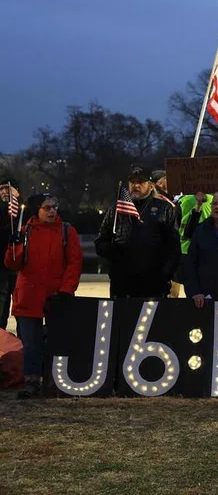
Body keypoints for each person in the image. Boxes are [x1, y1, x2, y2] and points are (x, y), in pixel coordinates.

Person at [4, 193, 82, 398]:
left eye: (54, 207)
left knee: (58, 340)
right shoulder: (25, 232)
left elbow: (74, 263)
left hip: (56, 295)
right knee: (30, 343)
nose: (52, 211)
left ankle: (57, 380)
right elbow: (13, 264)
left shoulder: (67, 231)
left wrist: (66, 290)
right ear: (36, 210)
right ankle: (32, 381)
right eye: (47, 207)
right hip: (28, 296)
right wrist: (14, 246)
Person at [95, 166, 180, 299]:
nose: (136, 185)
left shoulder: (164, 208)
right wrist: (113, 253)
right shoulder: (117, 209)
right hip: (122, 282)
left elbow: (174, 247)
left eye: (140, 182)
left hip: (154, 282)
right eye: (132, 182)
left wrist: (165, 274)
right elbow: (101, 240)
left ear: (151, 186)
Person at [0, 179, 20, 329]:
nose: (4, 192)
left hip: (19, 268)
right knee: (2, 308)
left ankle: (24, 339)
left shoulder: (23, 210)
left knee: (22, 308)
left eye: (7, 188)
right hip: (1, 267)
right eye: (1, 189)